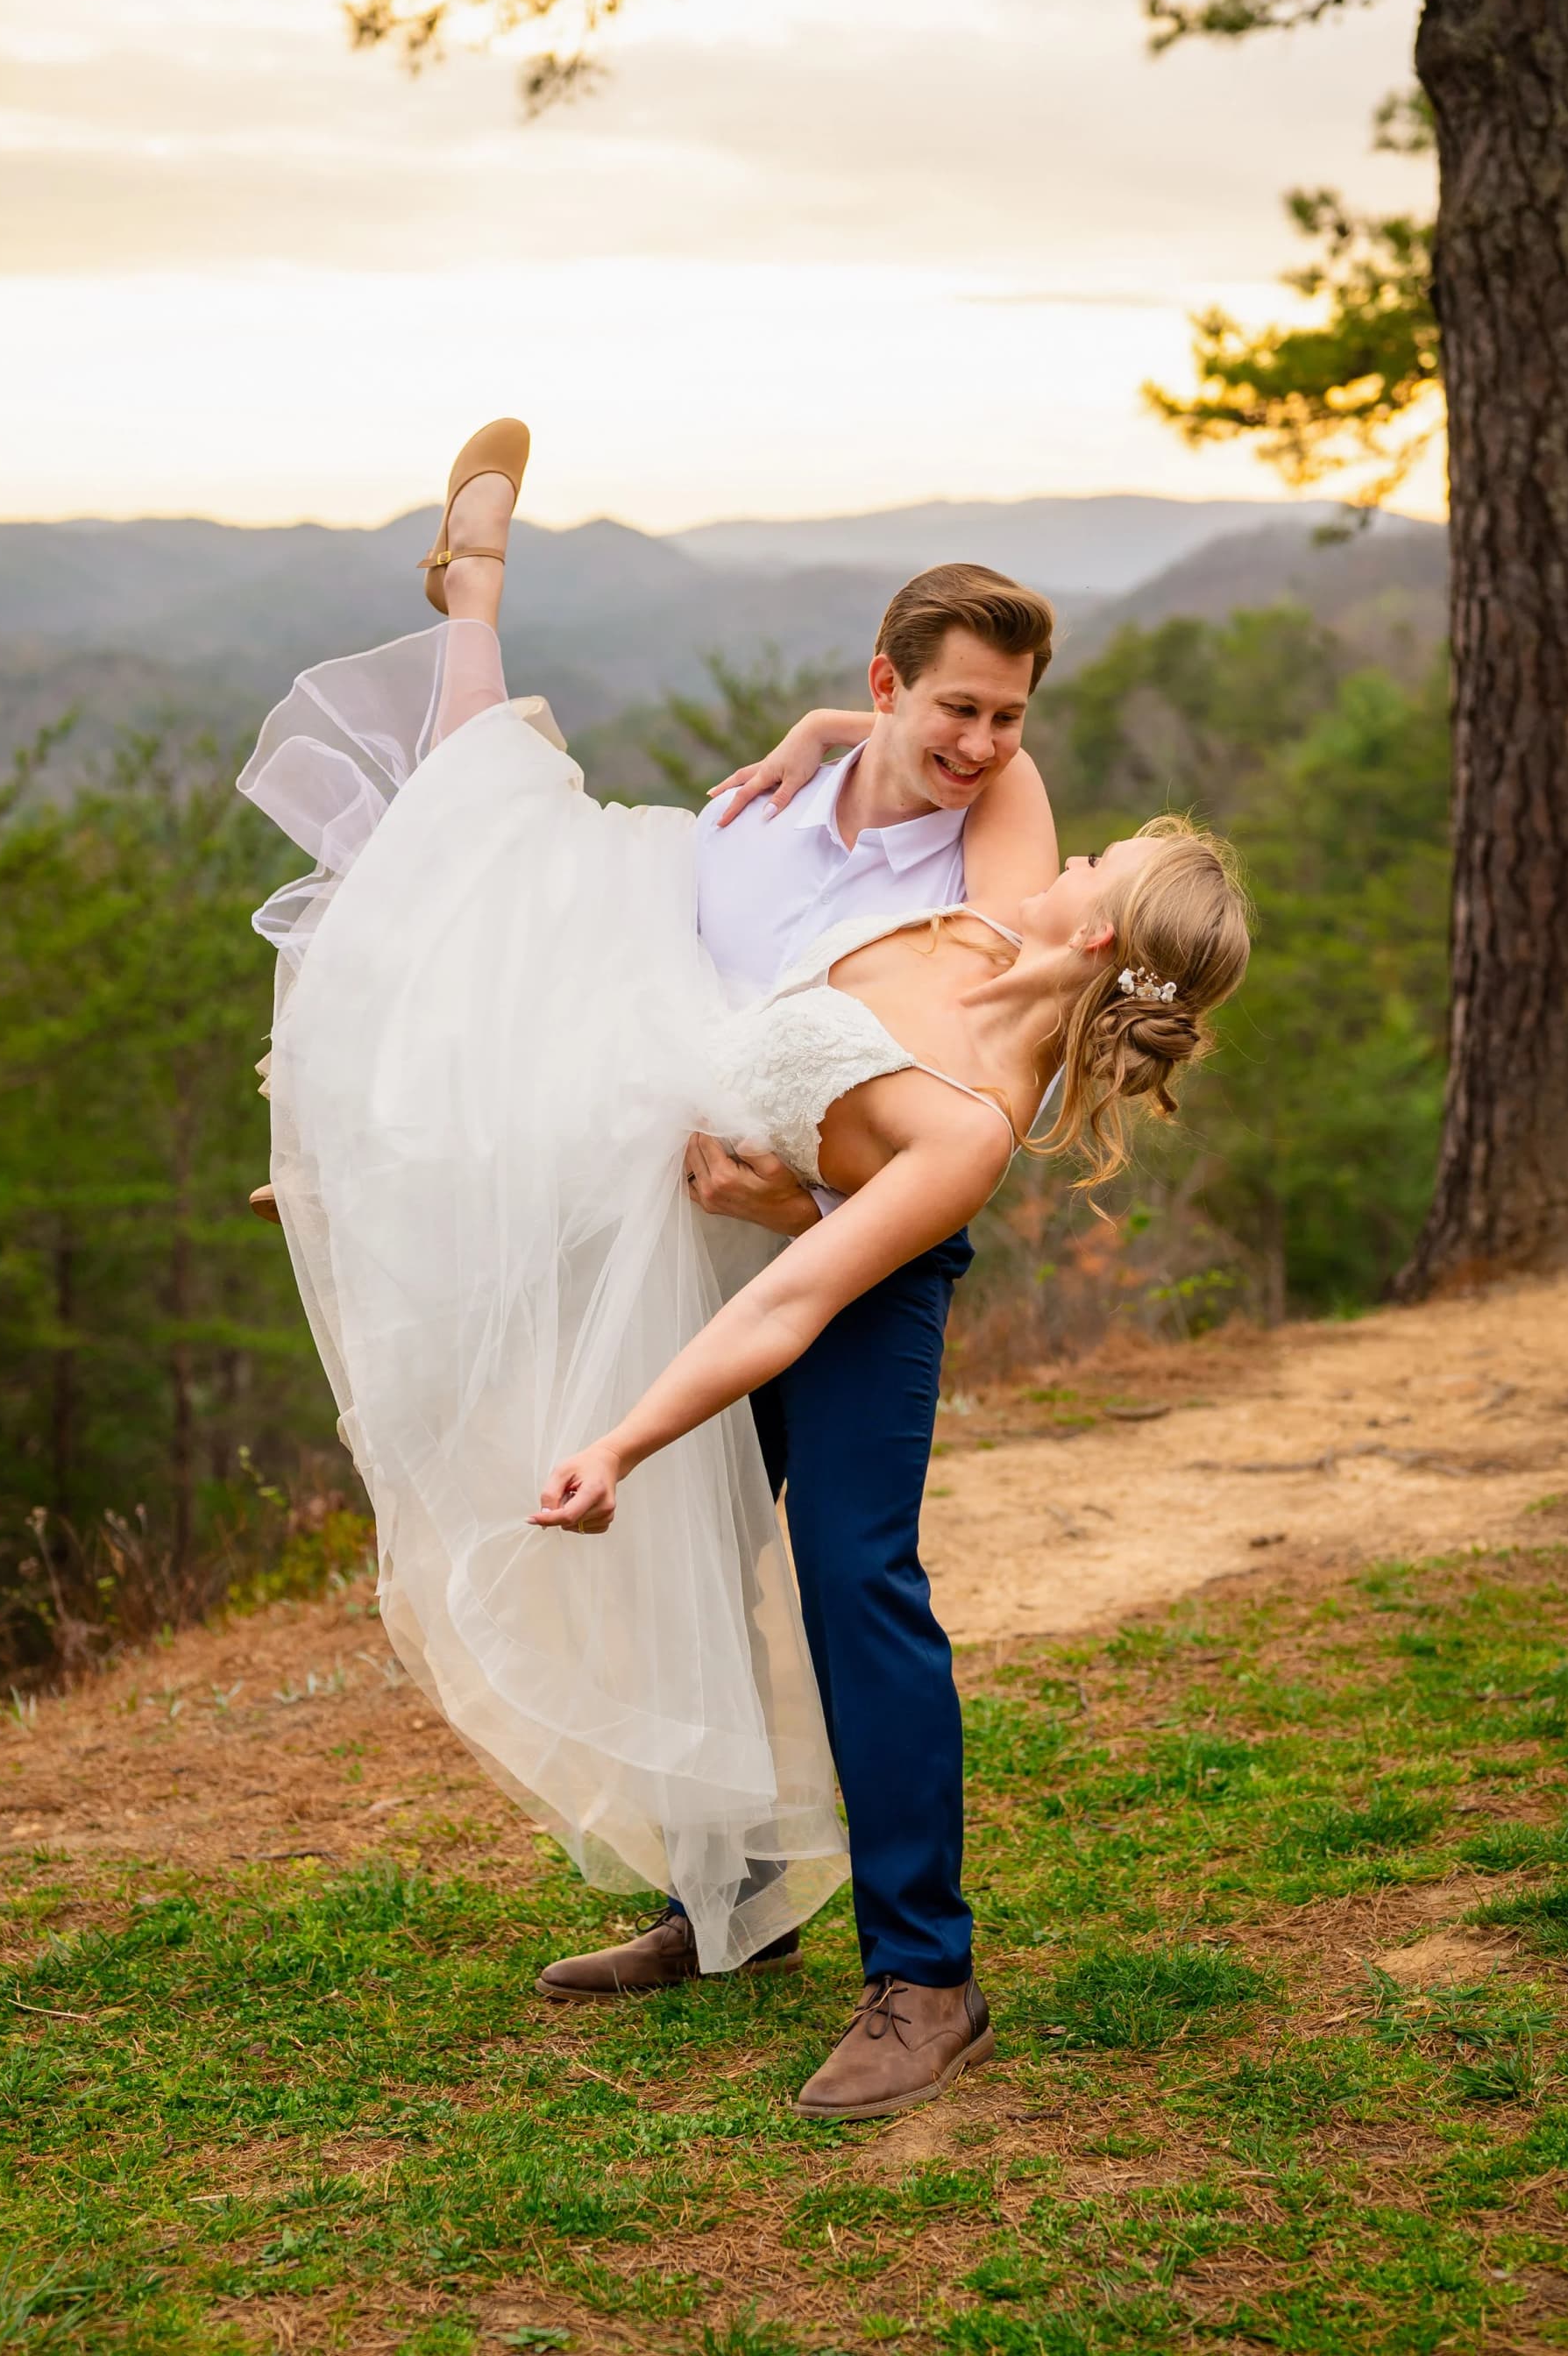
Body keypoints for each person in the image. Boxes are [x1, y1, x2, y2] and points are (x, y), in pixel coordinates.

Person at [238, 420, 1251, 2119]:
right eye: (962, 712)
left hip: (843, 1263)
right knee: (697, 1556)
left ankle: (926, 1977)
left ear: (1101, 925)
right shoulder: (920, 878)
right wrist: (822, 730)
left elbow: (825, 1255)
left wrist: (658, 1377)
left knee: (857, 1578)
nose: (1007, 764)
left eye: (1017, 732)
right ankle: (727, 1904)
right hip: (711, 1203)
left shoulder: (988, 1020)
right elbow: (691, 1052)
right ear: (896, 683)